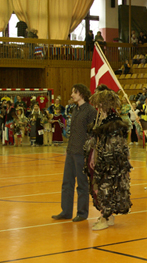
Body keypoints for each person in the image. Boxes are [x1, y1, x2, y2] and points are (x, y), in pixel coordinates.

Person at [83, 87, 132, 231]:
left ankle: (105, 217)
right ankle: (108, 215)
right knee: (98, 189)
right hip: (99, 162)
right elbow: (95, 142)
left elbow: (114, 148)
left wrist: (103, 161)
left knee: (106, 189)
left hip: (110, 165)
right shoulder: (100, 121)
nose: (97, 107)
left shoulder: (114, 124)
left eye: (100, 104)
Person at [52, 84, 97, 222]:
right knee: (67, 182)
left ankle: (82, 213)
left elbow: (92, 134)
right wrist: (68, 149)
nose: (72, 95)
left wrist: (90, 153)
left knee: (82, 183)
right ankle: (66, 211)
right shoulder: (75, 110)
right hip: (71, 151)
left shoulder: (90, 111)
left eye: (74, 92)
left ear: (81, 94)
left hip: (82, 152)